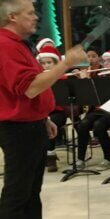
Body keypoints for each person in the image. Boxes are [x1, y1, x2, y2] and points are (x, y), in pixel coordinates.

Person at [0, 0, 87, 219]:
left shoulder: (19, 44)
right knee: (17, 191)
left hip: (31, 125)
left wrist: (43, 118)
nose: (35, 16)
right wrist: (66, 63)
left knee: (32, 189)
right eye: (30, 12)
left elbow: (31, 88)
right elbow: (30, 87)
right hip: (18, 130)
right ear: (12, 15)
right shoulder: (4, 47)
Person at [75, 49, 110, 171]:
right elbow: (90, 95)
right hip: (99, 110)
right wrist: (85, 80)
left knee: (99, 125)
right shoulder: (100, 75)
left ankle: (108, 159)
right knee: (82, 125)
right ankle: (80, 159)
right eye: (104, 61)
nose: (106, 64)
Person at [36, 45, 68, 173]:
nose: (46, 66)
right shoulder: (37, 78)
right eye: (43, 63)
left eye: (49, 62)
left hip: (58, 112)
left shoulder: (62, 78)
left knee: (50, 124)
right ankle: (40, 156)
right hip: (41, 113)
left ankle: (51, 156)